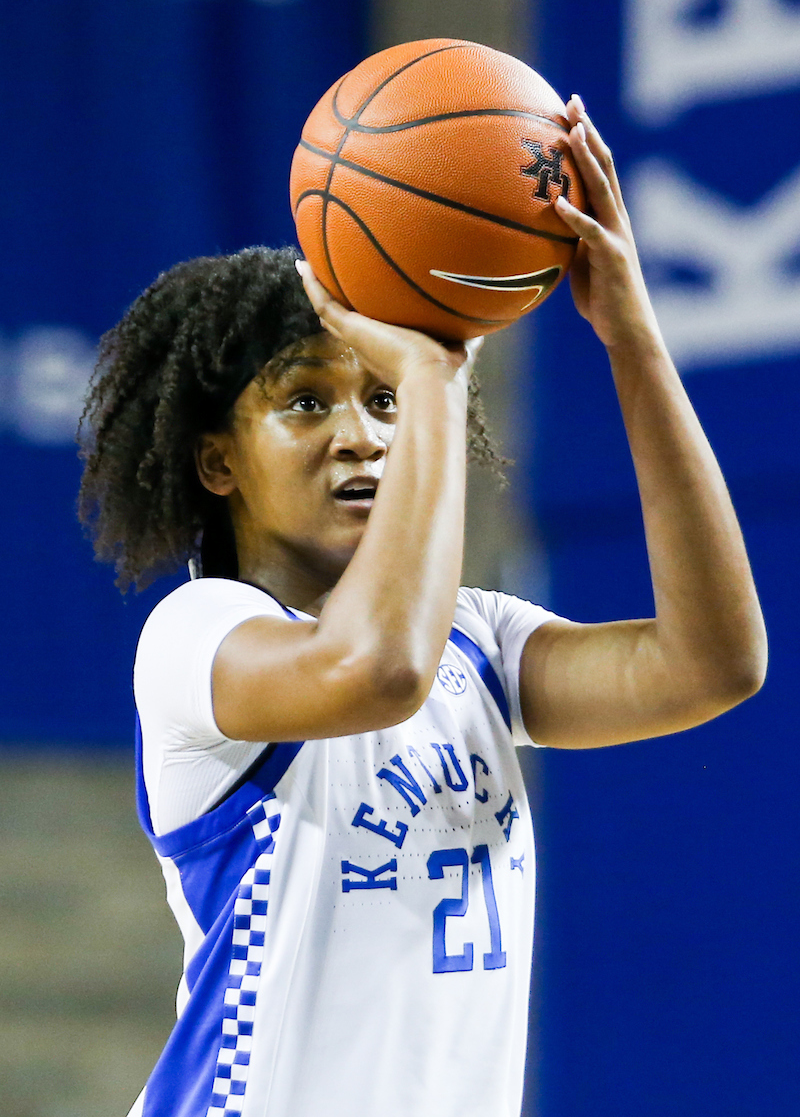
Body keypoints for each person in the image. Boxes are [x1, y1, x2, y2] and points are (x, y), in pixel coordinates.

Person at [78, 96, 766, 1117]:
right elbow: (378, 673)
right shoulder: (195, 638)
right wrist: (432, 373)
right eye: (307, 400)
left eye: (383, 399)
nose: (362, 435)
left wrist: (630, 336)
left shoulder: (478, 642)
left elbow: (712, 664)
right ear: (216, 458)